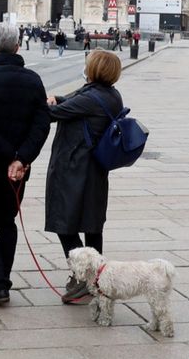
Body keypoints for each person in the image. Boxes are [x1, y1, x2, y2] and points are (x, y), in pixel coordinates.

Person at [0, 22, 51, 305]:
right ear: (18, 46)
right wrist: (21, 158)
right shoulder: (33, 80)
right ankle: (1, 280)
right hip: (18, 171)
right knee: (6, 221)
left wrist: (9, 156)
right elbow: (42, 125)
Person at [44, 50, 125, 304]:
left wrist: (45, 102)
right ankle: (97, 278)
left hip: (75, 169)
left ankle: (85, 276)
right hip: (93, 169)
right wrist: (56, 98)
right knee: (91, 225)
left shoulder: (92, 98)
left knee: (63, 223)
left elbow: (53, 113)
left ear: (95, 69)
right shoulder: (109, 94)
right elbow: (68, 100)